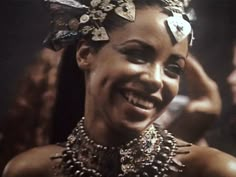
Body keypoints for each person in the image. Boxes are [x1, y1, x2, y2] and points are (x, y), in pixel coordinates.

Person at [2, 0, 236, 177]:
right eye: (136, 54)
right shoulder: (29, 170)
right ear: (85, 54)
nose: (156, 80)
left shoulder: (214, 171)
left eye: (173, 69)